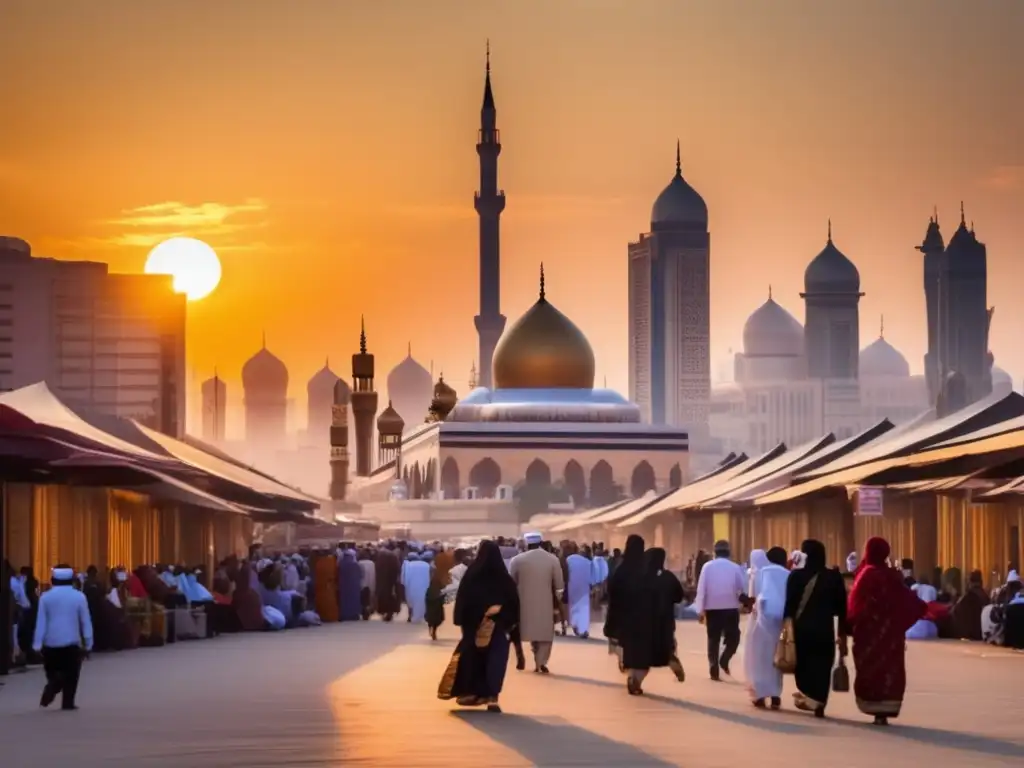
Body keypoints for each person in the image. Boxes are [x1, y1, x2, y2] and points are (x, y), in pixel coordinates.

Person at [847, 537, 928, 724]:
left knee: (871, 670)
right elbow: (912, 603)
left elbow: (854, 606)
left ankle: (874, 706)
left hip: (868, 636)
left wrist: (849, 626)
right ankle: (885, 710)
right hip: (890, 636)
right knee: (889, 670)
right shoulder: (892, 576)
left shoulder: (865, 576)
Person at [437, 540, 520, 713]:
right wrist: (508, 622)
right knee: (495, 661)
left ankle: (473, 692)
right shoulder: (504, 578)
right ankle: (492, 697)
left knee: (474, 659)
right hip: (497, 626)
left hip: (473, 627)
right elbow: (514, 603)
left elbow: (463, 600)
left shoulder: (472, 575)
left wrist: (461, 620)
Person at [783, 539, 849, 718]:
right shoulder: (834, 577)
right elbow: (841, 607)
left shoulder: (796, 576)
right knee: (823, 666)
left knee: (803, 665)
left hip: (801, 630)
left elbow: (789, 605)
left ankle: (809, 697)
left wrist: (785, 625)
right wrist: (843, 630)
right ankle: (820, 702)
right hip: (825, 630)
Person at [624, 547, 686, 695]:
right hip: (663, 622)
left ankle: (635, 678)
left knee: (641, 656)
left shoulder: (638, 577)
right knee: (664, 646)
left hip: (640, 623)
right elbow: (679, 596)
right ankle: (670, 657)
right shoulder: (667, 577)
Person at [33, 565, 93, 710]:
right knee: (72, 674)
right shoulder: (79, 597)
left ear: (53, 580)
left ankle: (54, 683)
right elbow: (85, 621)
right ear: (72, 580)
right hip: (72, 642)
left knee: (52, 671)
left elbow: (41, 622)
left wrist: (37, 644)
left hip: (50, 643)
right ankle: (68, 702)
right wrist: (89, 642)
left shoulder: (45, 598)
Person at [509, 532, 564, 674]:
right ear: (541, 543)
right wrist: (558, 600)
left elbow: (510, 582)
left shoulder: (517, 560)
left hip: (524, 603)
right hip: (546, 602)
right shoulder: (552, 559)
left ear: (526, 544)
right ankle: (541, 662)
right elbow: (559, 585)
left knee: (532, 631)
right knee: (545, 633)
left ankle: (535, 655)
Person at [743, 547, 790, 709]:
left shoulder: (761, 572)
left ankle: (760, 695)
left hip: (760, 622)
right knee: (776, 658)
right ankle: (776, 695)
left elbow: (753, 596)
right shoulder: (787, 574)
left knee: (758, 658)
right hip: (780, 622)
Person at [694, 539, 747, 680]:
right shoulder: (735, 567)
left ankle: (713, 667)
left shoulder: (707, 567)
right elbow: (742, 588)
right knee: (733, 638)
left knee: (713, 639)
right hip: (731, 608)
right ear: (728, 552)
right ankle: (724, 659)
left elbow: (701, 590)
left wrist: (700, 610)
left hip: (712, 609)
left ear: (715, 552)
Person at [604, 534, 645, 674]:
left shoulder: (621, 567)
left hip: (622, 610)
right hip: (639, 611)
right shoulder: (644, 567)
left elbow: (612, 588)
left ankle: (624, 660)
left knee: (623, 638)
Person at [952, 570, 990, 640]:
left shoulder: (967, 597)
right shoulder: (985, 596)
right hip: (982, 633)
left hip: (969, 635)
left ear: (969, 582)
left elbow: (955, 611)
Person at [565, 548, 594, 638]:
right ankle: (582, 630)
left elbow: (566, 573)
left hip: (572, 587)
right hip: (583, 588)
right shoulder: (588, 563)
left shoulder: (569, 559)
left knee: (574, 607)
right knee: (583, 609)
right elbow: (591, 577)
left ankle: (576, 627)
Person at [426, 549, 454, 640]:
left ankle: (431, 627)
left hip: (431, 592)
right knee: (438, 613)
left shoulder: (433, 569)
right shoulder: (445, 572)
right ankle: (434, 629)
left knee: (431, 611)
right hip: (439, 593)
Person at [402, 553, 431, 624]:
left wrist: (404, 584)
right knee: (423, 601)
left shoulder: (408, 565)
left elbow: (403, 577)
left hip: (411, 586)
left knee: (410, 601)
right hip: (424, 585)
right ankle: (424, 615)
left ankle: (410, 616)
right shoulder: (426, 565)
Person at [375, 547, 401, 621]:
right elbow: (398, 571)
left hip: (383, 583)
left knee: (383, 598)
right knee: (391, 598)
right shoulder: (394, 559)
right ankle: (390, 613)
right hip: (391, 583)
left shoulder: (381, 559)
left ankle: (384, 612)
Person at [338, 550, 363, 622]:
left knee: (344, 601)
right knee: (354, 601)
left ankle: (345, 615)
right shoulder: (355, 564)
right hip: (354, 587)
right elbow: (359, 575)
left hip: (343, 586)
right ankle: (354, 614)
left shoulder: (340, 564)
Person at [357, 550, 376, 621]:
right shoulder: (372, 563)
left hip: (362, 584)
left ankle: (364, 611)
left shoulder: (359, 563)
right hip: (370, 583)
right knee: (368, 599)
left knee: (363, 600)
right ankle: (368, 611)